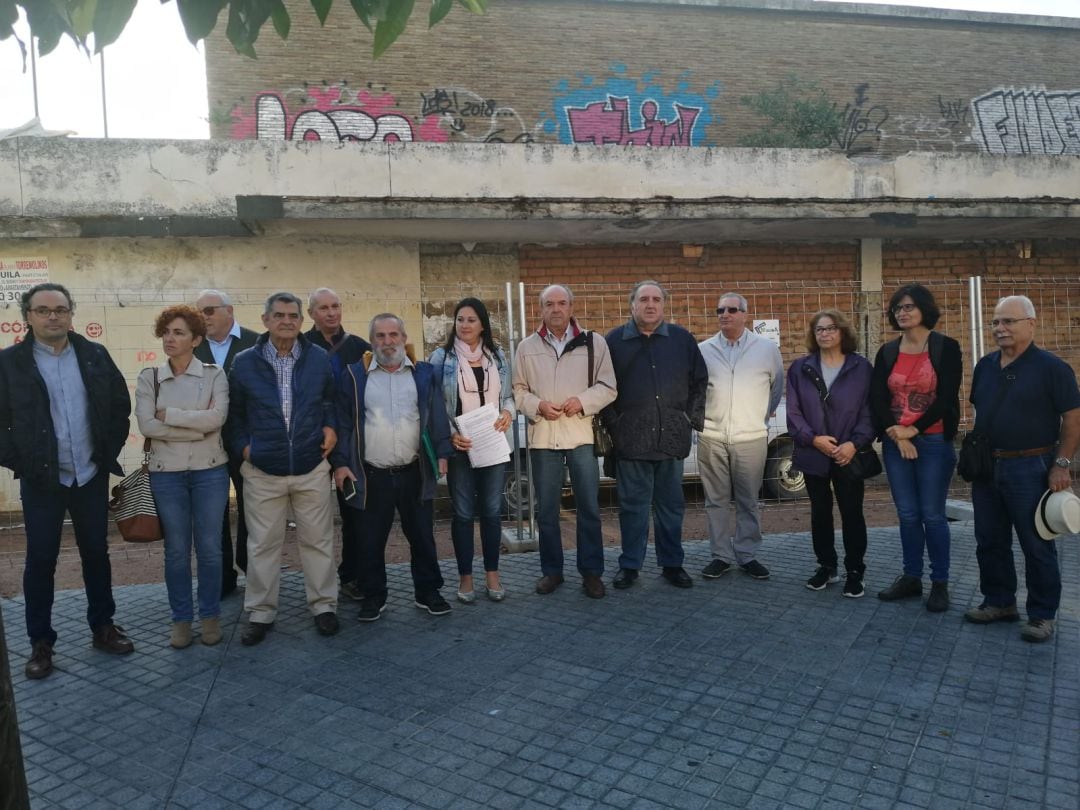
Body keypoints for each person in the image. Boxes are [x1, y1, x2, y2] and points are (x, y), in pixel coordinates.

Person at [0, 283, 134, 679]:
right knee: (41, 559)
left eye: (60, 309)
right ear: (28, 316)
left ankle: (103, 627)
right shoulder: (10, 364)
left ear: (71, 313)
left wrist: (105, 452)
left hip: (89, 474)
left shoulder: (94, 355)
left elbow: (118, 407)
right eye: (43, 310)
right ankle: (40, 643)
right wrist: (20, 461)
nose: (52, 316)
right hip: (43, 479)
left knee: (97, 552)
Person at [964, 295, 1080, 643]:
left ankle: (1042, 615)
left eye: (1008, 321)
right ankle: (999, 602)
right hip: (989, 468)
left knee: (1036, 544)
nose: (1000, 328)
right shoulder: (985, 366)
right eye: (996, 322)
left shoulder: (1052, 368)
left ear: (1031, 323)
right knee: (989, 540)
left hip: (1031, 467)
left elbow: (1073, 419)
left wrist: (1062, 464)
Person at [225, 291, 339, 646]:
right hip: (262, 470)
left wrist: (331, 426)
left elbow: (331, 400)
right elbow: (234, 415)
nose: (287, 321)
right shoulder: (244, 362)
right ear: (266, 320)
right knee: (262, 545)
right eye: (279, 315)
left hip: (310, 465)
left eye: (293, 315)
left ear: (301, 321)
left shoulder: (319, 359)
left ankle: (324, 606)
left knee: (318, 541)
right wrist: (246, 449)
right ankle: (260, 612)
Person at [331, 313, 453, 621]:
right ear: (372, 342)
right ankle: (374, 595)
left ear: (404, 337)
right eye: (381, 336)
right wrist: (341, 464)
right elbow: (343, 424)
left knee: (422, 535)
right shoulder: (355, 376)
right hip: (371, 474)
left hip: (415, 470)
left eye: (393, 335)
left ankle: (428, 592)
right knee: (370, 540)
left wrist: (442, 453)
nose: (388, 342)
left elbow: (436, 415)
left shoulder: (423, 374)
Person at [135, 305, 230, 649]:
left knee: (209, 550)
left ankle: (210, 616)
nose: (170, 339)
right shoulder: (150, 377)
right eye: (167, 332)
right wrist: (194, 427)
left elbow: (217, 419)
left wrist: (171, 416)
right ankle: (180, 620)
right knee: (176, 551)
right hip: (167, 475)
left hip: (210, 472)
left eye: (179, 333)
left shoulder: (214, 375)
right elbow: (147, 425)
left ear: (196, 339)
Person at [513, 285, 617, 599]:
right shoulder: (526, 347)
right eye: (549, 304)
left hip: (581, 436)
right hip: (544, 437)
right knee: (546, 511)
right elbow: (518, 391)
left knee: (588, 508)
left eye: (561, 303)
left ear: (571, 306)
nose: (556, 309)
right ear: (540, 309)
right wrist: (537, 406)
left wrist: (583, 401)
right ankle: (552, 571)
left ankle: (591, 573)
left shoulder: (594, 342)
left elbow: (609, 386)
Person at [605, 280, 707, 590]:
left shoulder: (682, 340)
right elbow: (602, 388)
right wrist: (616, 425)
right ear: (631, 304)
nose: (650, 305)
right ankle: (630, 566)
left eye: (656, 299)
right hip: (631, 441)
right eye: (644, 299)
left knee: (671, 507)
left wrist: (689, 420)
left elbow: (699, 382)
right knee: (633, 508)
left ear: (664, 305)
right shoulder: (614, 341)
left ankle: (672, 564)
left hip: (671, 439)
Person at [870, 283, 961, 612]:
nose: (902, 312)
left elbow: (947, 397)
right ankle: (911, 577)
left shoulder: (945, 348)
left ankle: (940, 583)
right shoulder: (888, 352)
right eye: (897, 309)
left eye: (908, 307)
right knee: (908, 514)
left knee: (932, 515)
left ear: (924, 309)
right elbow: (878, 397)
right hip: (897, 442)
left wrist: (913, 430)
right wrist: (897, 434)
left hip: (934, 440)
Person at [430, 298, 515, 603]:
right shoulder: (442, 358)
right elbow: (435, 405)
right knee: (464, 514)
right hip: (460, 446)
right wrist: (450, 435)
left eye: (471, 320)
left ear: (483, 325)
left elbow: (509, 395)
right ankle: (466, 577)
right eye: (460, 319)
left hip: (492, 442)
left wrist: (508, 412)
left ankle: (492, 573)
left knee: (492, 512)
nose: (464, 325)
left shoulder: (498, 357)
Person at [786, 309, 874, 597]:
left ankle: (855, 571)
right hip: (814, 452)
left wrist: (854, 443)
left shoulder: (861, 368)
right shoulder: (800, 368)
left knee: (852, 513)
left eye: (831, 328)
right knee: (819, 513)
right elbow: (794, 413)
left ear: (843, 332)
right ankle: (826, 565)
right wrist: (814, 440)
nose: (824, 333)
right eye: (819, 329)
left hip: (849, 453)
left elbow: (869, 410)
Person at [697, 293, 784, 582]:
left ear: (745, 315)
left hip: (751, 437)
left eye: (732, 310)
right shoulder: (704, 349)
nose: (725, 314)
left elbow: (775, 389)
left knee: (748, 499)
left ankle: (747, 554)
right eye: (720, 309)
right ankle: (720, 556)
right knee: (716, 500)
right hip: (712, 436)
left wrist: (757, 418)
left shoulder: (766, 349)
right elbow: (695, 391)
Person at [304, 287, 371, 601]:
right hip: (312, 445)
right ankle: (319, 586)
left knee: (355, 515)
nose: (331, 313)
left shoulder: (360, 347)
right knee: (315, 524)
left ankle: (353, 576)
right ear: (311, 314)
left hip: (352, 448)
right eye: (323, 308)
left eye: (335, 306)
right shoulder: (300, 348)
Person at [193, 289, 258, 597]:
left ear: (228, 310)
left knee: (253, 507)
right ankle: (221, 577)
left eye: (208, 311)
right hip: (206, 444)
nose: (202, 318)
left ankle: (253, 569)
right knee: (211, 511)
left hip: (247, 442)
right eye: (199, 312)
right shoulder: (190, 345)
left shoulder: (257, 341)